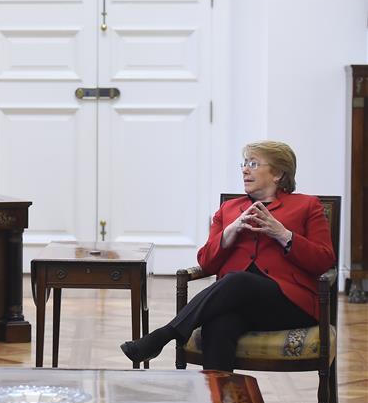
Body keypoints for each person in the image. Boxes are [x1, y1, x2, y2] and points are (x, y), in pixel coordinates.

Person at [120, 141, 336, 371]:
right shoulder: (229, 209)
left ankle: (165, 334)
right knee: (218, 324)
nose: (245, 170)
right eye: (244, 164)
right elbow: (205, 262)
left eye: (254, 164)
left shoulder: (307, 206)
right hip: (239, 305)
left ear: (278, 174)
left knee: (237, 280)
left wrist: (284, 235)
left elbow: (324, 260)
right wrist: (229, 233)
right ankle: (219, 395)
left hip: (289, 304)